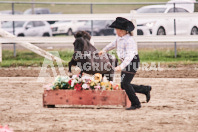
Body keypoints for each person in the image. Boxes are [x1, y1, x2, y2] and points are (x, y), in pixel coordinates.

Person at [99, 17, 152, 110]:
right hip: (126, 62)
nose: (115, 31)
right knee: (123, 85)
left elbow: (130, 56)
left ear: (122, 30)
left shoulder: (129, 41)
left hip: (132, 62)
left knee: (126, 83)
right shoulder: (119, 38)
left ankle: (136, 103)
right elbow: (113, 44)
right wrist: (104, 50)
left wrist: (121, 66)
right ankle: (145, 89)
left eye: (116, 29)